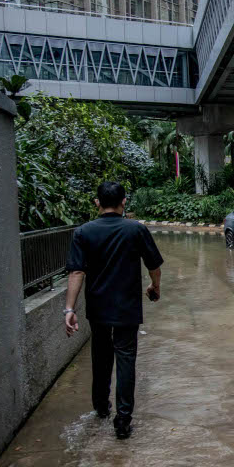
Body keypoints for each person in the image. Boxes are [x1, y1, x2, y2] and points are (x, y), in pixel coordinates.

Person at [64, 181, 164, 439]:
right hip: (127, 309)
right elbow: (153, 264)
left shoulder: (83, 232)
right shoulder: (136, 230)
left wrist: (69, 309)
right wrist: (155, 286)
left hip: (98, 308)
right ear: (124, 202)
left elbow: (77, 272)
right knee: (126, 359)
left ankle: (100, 407)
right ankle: (123, 419)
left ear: (97, 202)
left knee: (101, 356)